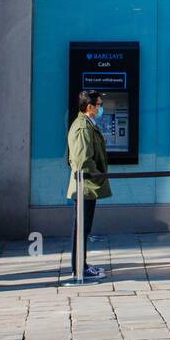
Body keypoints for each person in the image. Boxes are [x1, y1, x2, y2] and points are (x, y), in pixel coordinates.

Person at [65, 90, 111, 279]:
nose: (101, 108)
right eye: (99, 104)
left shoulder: (87, 125)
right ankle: (79, 269)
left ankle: (82, 264)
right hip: (86, 185)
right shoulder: (83, 127)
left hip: (88, 185)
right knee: (81, 228)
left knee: (84, 228)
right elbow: (83, 160)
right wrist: (98, 176)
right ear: (90, 107)